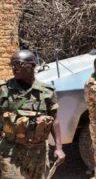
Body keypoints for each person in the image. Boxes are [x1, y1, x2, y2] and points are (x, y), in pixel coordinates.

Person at [0, 50, 65, 178]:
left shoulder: (47, 91)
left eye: (18, 64)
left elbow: (54, 119)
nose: (14, 68)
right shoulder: (3, 90)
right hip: (10, 151)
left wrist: (59, 147)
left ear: (33, 65)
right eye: (12, 64)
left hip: (39, 152)